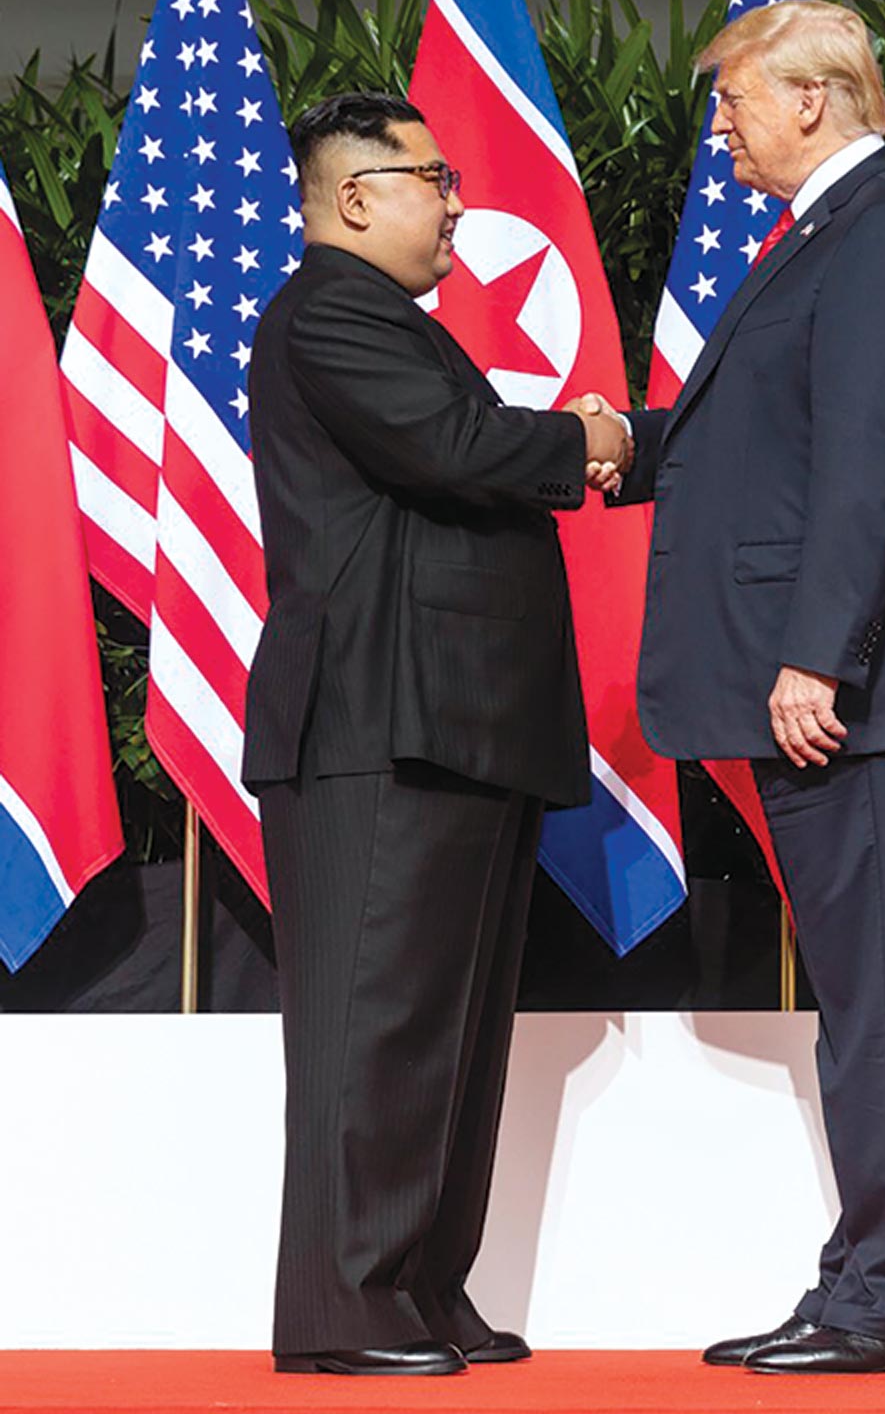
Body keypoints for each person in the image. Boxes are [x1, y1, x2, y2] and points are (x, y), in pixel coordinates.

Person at [585, 0, 885, 1374]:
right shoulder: (831, 233)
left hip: (836, 688)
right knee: (860, 996)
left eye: (736, 99)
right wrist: (621, 445)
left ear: (813, 98)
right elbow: (765, 441)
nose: (722, 124)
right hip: (808, 676)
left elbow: (871, 464)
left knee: (870, 1001)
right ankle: (877, 1278)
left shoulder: (882, 234)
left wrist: (819, 653)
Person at [242, 91, 630, 1377]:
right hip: (377, 721)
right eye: (433, 176)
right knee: (377, 1026)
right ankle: (349, 1309)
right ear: (355, 197)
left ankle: (417, 1289)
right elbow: (455, 448)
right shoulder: (333, 309)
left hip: (448, 720)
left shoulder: (382, 320)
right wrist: (582, 437)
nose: (455, 199)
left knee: (449, 1030)